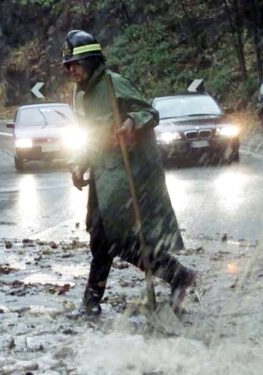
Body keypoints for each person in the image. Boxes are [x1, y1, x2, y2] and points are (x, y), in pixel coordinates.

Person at [62, 30, 195, 317]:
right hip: (103, 175)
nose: (72, 69)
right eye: (68, 65)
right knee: (100, 241)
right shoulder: (81, 95)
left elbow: (150, 113)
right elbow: (89, 136)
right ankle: (91, 304)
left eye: (77, 63)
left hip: (126, 177)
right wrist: (79, 163)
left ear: (93, 61)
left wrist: (131, 122)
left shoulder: (114, 84)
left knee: (122, 242)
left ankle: (179, 276)